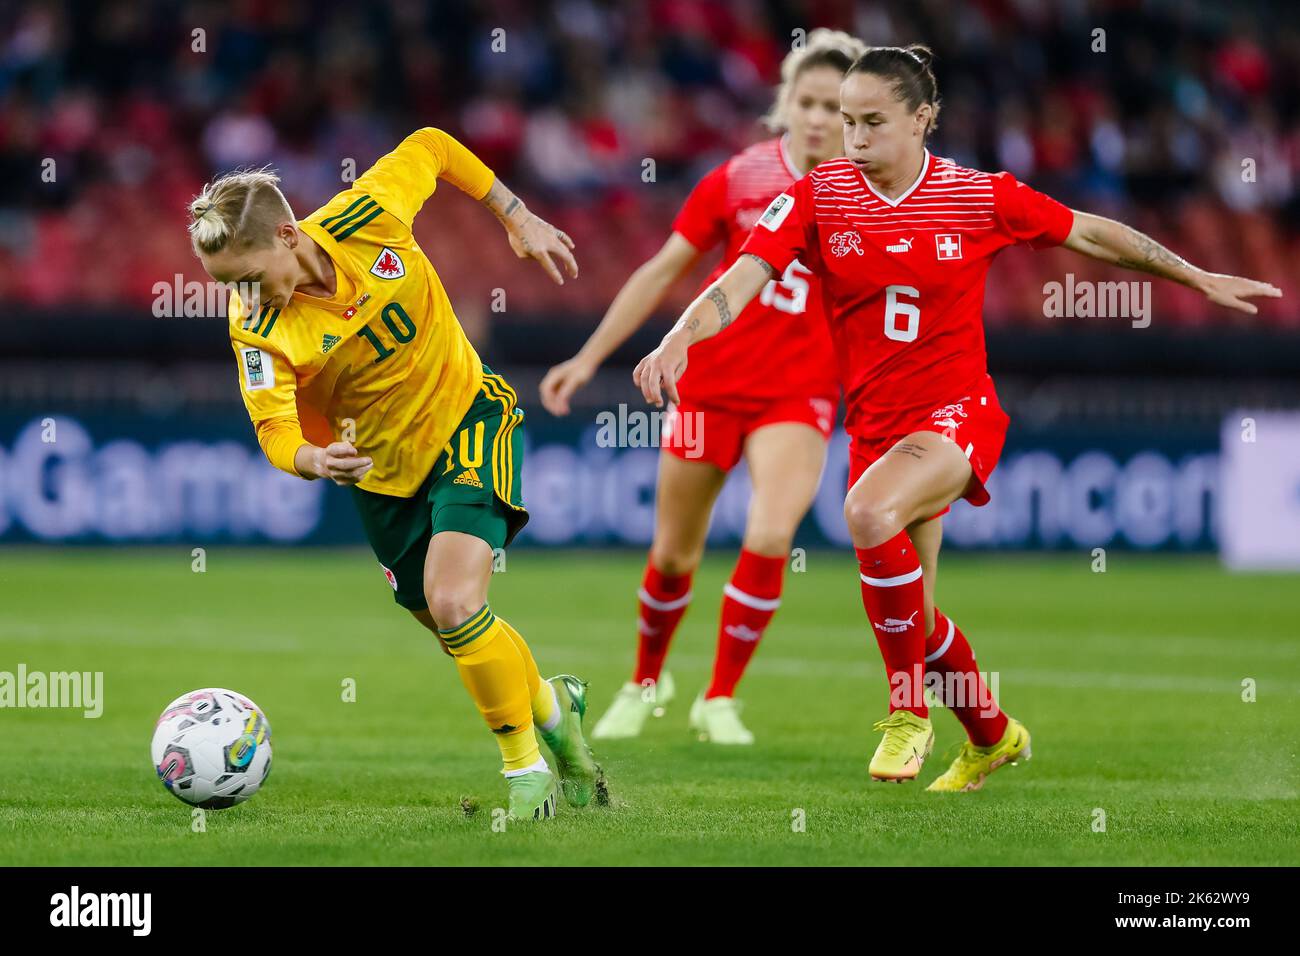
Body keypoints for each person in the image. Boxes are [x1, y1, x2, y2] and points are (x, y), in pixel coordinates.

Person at [634, 46, 1281, 789]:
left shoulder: (978, 197)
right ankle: (993, 734)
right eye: (847, 122)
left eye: (873, 122)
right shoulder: (819, 195)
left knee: (867, 513)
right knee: (922, 620)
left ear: (922, 119)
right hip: (875, 427)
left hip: (956, 413)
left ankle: (908, 716)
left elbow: (1089, 231)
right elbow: (744, 274)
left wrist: (1195, 276)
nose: (856, 139)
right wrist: (681, 335)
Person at [188, 127, 603, 819]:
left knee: (455, 601)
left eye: (248, 277)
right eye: (228, 287)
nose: (244, 297)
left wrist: (516, 214)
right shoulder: (255, 327)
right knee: (458, 632)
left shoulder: (367, 213)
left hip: (469, 420)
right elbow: (273, 429)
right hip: (383, 479)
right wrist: (313, 459)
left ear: (288, 236)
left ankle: (524, 775)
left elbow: (434, 145)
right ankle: (559, 715)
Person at [540, 30, 865, 745]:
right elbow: (661, 270)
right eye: (807, 102)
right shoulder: (740, 179)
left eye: (834, 108)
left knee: (772, 534)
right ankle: (646, 681)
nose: (817, 119)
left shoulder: (871, 197)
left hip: (799, 393)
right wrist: (590, 357)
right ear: (786, 104)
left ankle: (720, 697)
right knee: (673, 555)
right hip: (708, 386)